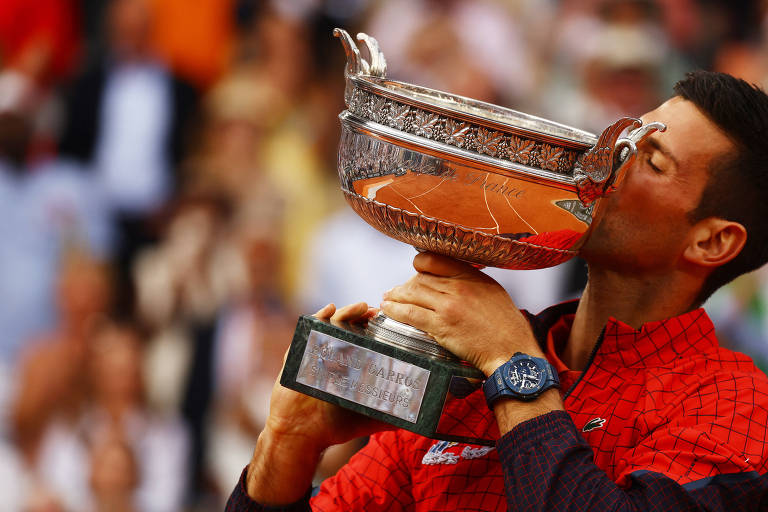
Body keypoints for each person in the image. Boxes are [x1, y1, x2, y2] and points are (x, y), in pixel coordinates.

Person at [226, 70, 768, 511]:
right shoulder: (462, 378)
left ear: (713, 241)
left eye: (651, 162)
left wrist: (513, 366)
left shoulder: (737, 409)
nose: (609, 164)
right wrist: (287, 442)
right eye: (623, 138)